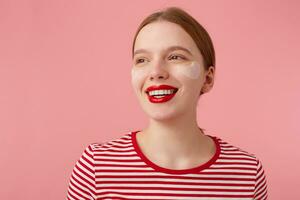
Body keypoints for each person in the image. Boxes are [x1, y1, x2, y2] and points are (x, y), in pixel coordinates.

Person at [66, 6, 268, 200]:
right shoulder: (96, 167)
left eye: (175, 57)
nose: (156, 72)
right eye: (142, 60)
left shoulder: (247, 173)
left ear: (207, 79)